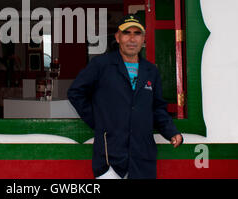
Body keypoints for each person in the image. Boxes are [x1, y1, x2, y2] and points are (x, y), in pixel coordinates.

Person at [67, 14, 183, 179]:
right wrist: (98, 120)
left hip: (142, 157)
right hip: (110, 157)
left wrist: (171, 131)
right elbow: (75, 92)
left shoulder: (151, 71)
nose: (132, 38)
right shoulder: (101, 65)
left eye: (137, 33)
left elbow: (158, 107)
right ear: (118, 37)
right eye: (126, 33)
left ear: (143, 38)